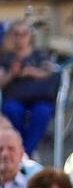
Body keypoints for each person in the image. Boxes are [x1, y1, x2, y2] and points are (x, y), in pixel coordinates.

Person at [0, 24, 60, 154]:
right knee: (12, 110)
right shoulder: (6, 57)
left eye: (24, 34)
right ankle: (22, 151)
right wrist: (12, 73)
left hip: (40, 98)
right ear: (11, 36)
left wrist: (32, 72)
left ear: (30, 36)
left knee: (42, 111)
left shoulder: (41, 55)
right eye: (16, 34)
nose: (20, 38)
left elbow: (52, 73)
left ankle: (24, 153)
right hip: (15, 98)